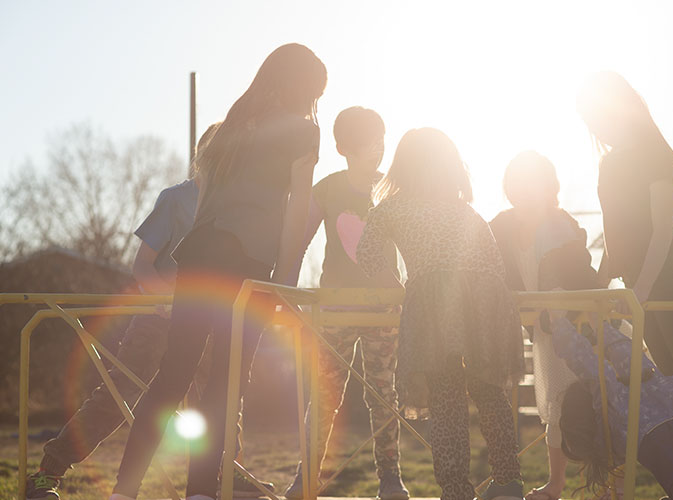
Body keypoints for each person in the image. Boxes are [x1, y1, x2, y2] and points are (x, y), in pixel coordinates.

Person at [109, 43, 327, 500]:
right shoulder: (303, 131)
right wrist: (284, 278)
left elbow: (207, 202)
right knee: (227, 382)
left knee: (174, 374)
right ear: (305, 88)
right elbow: (296, 209)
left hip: (200, 256)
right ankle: (200, 492)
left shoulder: (232, 124)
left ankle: (124, 491)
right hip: (246, 263)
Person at [24, 124, 245, 500]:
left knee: (222, 396)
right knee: (118, 392)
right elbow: (143, 264)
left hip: (210, 320)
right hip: (159, 318)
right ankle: (48, 472)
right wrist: (162, 298)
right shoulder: (176, 199)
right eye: (217, 153)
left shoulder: (234, 206)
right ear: (202, 156)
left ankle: (226, 477)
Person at [356, 128, 525, 500]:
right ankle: (509, 481)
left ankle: (456, 489)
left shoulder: (392, 208)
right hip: (487, 300)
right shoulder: (466, 211)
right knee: (489, 389)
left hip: (436, 302)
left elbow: (366, 255)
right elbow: (494, 265)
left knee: (446, 396)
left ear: (403, 167)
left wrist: (401, 291)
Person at [284, 107, 408, 500]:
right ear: (343, 148)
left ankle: (390, 478)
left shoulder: (392, 189)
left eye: (382, 139)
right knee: (325, 394)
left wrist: (410, 291)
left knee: (383, 393)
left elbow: (410, 243)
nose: (378, 148)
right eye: (369, 141)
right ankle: (307, 478)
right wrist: (286, 289)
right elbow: (301, 240)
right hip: (335, 307)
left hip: (384, 308)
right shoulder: (329, 188)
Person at [577, 71, 673, 395]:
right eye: (589, 120)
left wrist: (642, 290)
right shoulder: (608, 164)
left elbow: (661, 230)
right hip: (639, 289)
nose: (596, 126)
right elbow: (613, 235)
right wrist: (598, 289)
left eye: (598, 116)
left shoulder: (653, 154)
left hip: (671, 281)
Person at [490, 151, 599, 500]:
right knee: (554, 404)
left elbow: (581, 275)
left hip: (578, 326)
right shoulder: (501, 226)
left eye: (531, 184)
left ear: (547, 187)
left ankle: (610, 485)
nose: (523, 192)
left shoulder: (561, 224)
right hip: (542, 330)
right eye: (516, 185)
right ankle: (556, 484)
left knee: (593, 403)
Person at [551, 314, 673, 500]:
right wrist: (595, 323)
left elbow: (598, 371)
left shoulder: (622, 414)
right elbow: (617, 357)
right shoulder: (644, 391)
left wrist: (560, 321)